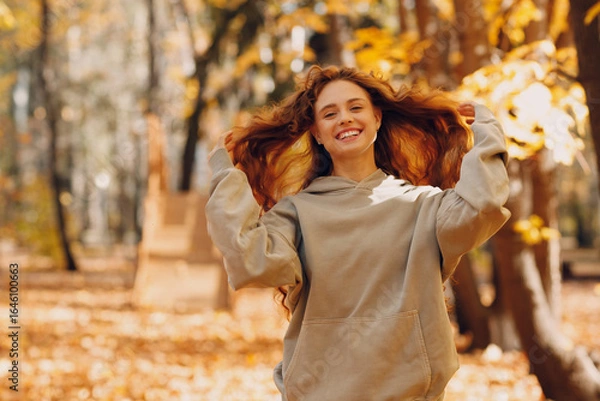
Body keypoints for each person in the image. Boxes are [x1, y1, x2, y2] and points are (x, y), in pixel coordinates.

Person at [205, 65, 510, 401]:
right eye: (330, 113)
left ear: (377, 118)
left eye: (355, 107)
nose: (345, 119)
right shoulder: (297, 214)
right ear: (317, 133)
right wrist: (225, 172)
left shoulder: (423, 206)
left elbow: (482, 208)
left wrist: (486, 130)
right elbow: (249, 259)